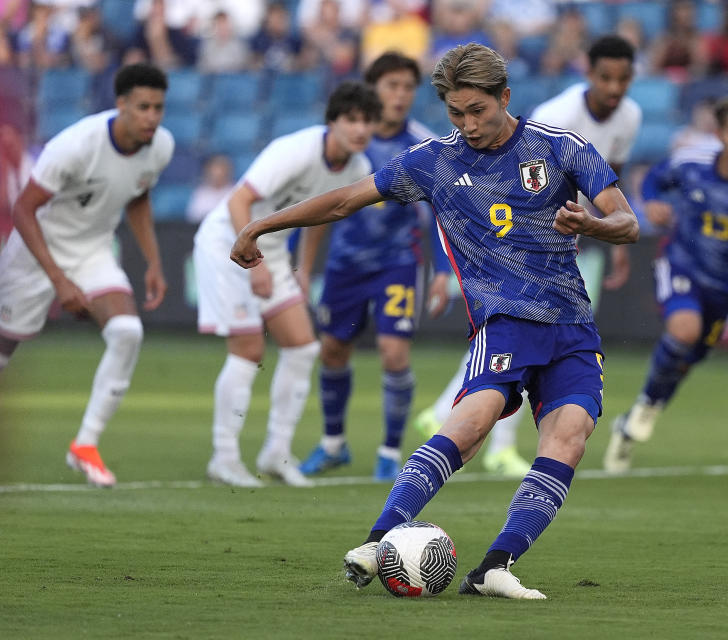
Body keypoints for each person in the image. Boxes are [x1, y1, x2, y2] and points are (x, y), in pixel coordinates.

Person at [230, 43, 639, 599]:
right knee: (472, 423)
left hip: (572, 326)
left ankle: (494, 567)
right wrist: (262, 226)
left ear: (505, 98)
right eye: (455, 112)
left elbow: (627, 221)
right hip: (503, 321)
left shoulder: (563, 149)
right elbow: (347, 199)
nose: (467, 124)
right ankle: (378, 543)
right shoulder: (433, 161)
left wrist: (591, 225)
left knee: (570, 437)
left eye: (478, 110)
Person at [412, 35, 641, 478]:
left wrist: (603, 229)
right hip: (515, 223)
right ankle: (492, 441)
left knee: (519, 333)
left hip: (568, 225)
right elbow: (515, 165)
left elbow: (614, 178)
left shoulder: (630, 116)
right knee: (520, 328)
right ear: (587, 74)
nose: (614, 88)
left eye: (623, 79)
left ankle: (447, 407)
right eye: (605, 77)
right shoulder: (558, 117)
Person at [192, 81, 380, 488]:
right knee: (249, 348)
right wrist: (254, 264)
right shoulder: (295, 150)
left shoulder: (358, 168)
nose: (360, 129)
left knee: (303, 346)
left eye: (367, 121)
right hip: (228, 241)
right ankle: (223, 457)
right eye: (351, 119)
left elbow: (322, 215)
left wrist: (303, 268)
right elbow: (237, 201)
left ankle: (276, 452)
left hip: (272, 251)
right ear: (333, 121)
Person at [603, 94, 728, 473]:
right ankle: (645, 409)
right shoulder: (691, 162)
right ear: (720, 133)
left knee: (687, 360)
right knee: (684, 330)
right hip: (682, 264)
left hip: (727, 287)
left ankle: (635, 419)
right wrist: (652, 203)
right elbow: (653, 182)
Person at [0, 63, 173, 487]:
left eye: (159, 107)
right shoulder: (77, 146)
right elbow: (23, 209)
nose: (152, 116)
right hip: (34, 250)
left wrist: (154, 261)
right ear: (121, 105)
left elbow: (138, 196)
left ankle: (85, 445)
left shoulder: (160, 146)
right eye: (143, 107)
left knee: (128, 331)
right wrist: (59, 281)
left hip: (92, 250)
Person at [297, 52, 450, 482]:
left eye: (407, 87)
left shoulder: (424, 146)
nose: (400, 96)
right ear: (372, 89)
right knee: (333, 351)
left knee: (394, 352)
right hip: (345, 264)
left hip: (397, 264)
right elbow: (317, 203)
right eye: (391, 86)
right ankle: (333, 445)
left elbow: (441, 212)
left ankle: (388, 452)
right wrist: (302, 266)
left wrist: (441, 271)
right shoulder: (345, 141)